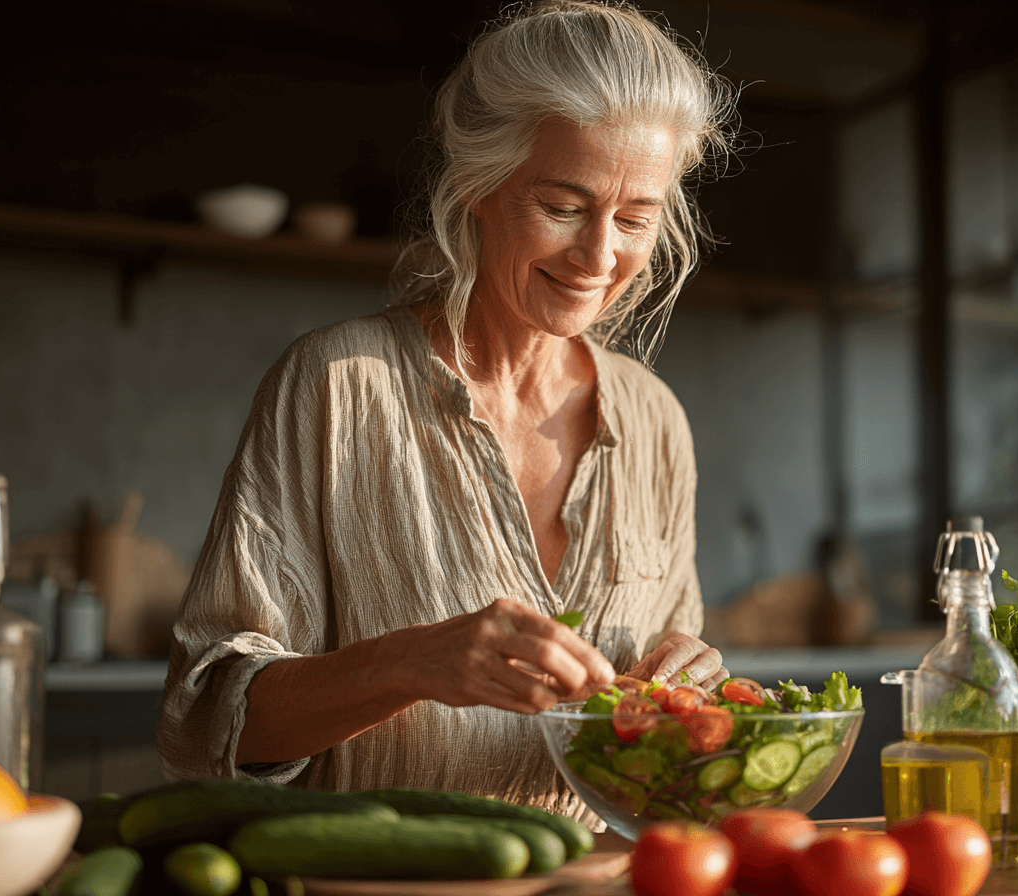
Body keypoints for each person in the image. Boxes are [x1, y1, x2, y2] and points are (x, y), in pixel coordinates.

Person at [157, 0, 739, 824]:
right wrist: (408, 664)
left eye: (636, 218)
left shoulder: (653, 421)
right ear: (479, 186)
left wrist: (688, 690)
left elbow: (659, 738)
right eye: (564, 207)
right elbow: (206, 721)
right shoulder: (335, 387)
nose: (600, 255)